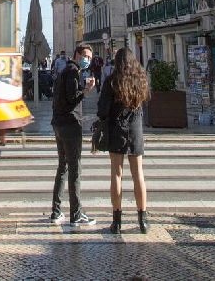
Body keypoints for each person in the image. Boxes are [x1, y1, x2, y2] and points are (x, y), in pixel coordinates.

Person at [97, 47, 150, 233]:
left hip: (116, 129)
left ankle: (117, 221)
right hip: (135, 130)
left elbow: (102, 110)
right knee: (139, 175)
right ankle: (142, 220)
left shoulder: (111, 81)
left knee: (116, 175)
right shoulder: (140, 80)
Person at [49, 43, 96, 226]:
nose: (88, 60)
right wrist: (86, 91)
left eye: (90, 58)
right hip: (70, 124)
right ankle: (76, 214)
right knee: (75, 169)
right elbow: (71, 99)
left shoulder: (64, 70)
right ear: (77, 54)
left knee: (63, 167)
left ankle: (56, 211)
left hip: (58, 123)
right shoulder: (72, 71)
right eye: (86, 56)